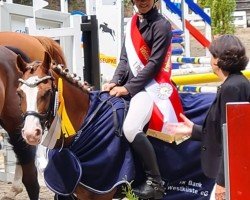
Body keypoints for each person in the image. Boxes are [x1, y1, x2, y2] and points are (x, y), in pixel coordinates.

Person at [103, 0, 183, 199]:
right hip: (130, 86)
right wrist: (114, 82)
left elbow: (154, 64)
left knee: (130, 128)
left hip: (150, 88)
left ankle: (155, 182)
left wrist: (127, 88)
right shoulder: (132, 24)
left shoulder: (162, 25)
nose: (143, 1)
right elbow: (124, 60)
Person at [166, 34, 250, 200]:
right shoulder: (234, 83)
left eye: (211, 55)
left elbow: (232, 140)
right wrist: (193, 130)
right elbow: (222, 131)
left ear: (217, 60)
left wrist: (222, 182)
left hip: (232, 175)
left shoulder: (232, 88)